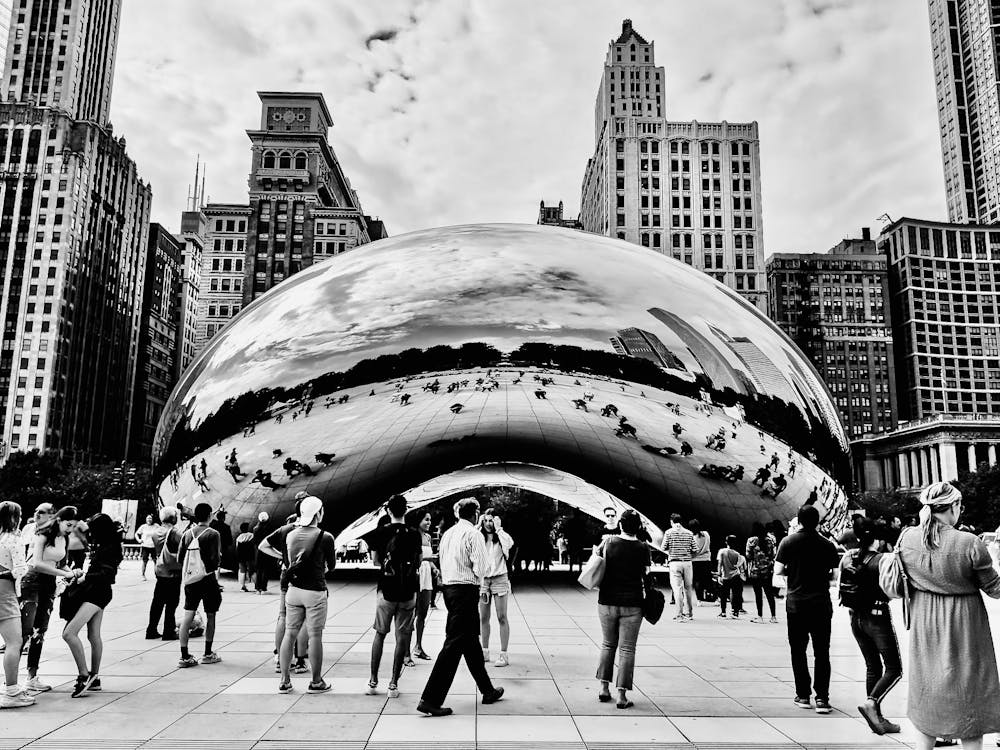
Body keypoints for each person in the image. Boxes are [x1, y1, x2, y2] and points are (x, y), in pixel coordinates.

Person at [897, 482, 1000, 749]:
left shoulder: (907, 538)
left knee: (928, 689)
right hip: (965, 623)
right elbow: (994, 588)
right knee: (970, 692)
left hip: (925, 623)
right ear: (954, 506)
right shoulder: (969, 543)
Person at [418, 498, 504, 716]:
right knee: (454, 644)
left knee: (470, 640)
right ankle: (430, 699)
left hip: (449, 590)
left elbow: (442, 561)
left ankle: (487, 690)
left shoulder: (448, 534)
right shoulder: (474, 534)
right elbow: (482, 566)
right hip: (466, 591)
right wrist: (479, 582)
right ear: (475, 514)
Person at [774, 504, 839, 714]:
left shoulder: (788, 542)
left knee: (798, 650)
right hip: (820, 603)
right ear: (817, 521)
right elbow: (835, 576)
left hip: (796, 605)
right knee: (822, 652)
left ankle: (803, 695)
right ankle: (822, 698)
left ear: (799, 521)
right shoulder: (827, 545)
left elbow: (778, 571)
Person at [838, 517, 901, 735]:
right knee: (894, 669)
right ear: (878, 538)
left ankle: (877, 719)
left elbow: (841, 585)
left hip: (855, 618)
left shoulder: (848, 556)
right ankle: (872, 703)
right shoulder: (883, 559)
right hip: (878, 616)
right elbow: (893, 590)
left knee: (873, 666)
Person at [270, 496, 336, 693]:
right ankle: (316, 681)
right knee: (315, 636)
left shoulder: (291, 535)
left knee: (289, 634)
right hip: (315, 591)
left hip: (293, 591)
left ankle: (284, 680)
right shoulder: (325, 537)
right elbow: (331, 566)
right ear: (318, 513)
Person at [20, 505, 83, 692]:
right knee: (25, 631)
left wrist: (72, 573)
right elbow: (37, 563)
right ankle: (12, 679)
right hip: (32, 581)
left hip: (48, 584)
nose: (70, 529)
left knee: (41, 630)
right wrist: (62, 573)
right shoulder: (42, 535)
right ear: (60, 520)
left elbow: (62, 563)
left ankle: (32, 676)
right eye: (69, 525)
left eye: (73, 527)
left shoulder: (63, 538)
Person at [366, 494, 422, 699]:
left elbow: (375, 561)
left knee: (380, 634)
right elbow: (418, 561)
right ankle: (393, 684)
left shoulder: (379, 533)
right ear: (405, 510)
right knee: (402, 637)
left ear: (388, 511)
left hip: (386, 590)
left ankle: (373, 680)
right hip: (408, 591)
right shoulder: (415, 534)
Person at [62, 513, 124, 698]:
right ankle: (94, 676)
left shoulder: (108, 548)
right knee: (93, 635)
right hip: (100, 592)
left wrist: (84, 578)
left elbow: (108, 574)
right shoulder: (108, 545)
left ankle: (84, 675)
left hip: (97, 593)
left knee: (69, 633)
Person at [595, 509, 649, 709]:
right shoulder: (643, 547)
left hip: (607, 601)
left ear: (620, 524)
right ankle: (621, 695)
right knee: (627, 649)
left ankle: (603, 688)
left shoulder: (608, 543)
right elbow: (647, 576)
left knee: (608, 644)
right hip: (633, 604)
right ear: (638, 527)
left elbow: (597, 560)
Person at [176, 503, 223, 668]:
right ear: (210, 515)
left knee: (188, 616)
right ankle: (208, 653)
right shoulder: (213, 534)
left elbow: (180, 559)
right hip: (208, 580)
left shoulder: (187, 534)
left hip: (191, 581)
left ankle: (184, 656)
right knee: (211, 615)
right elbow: (215, 561)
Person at [0, 501, 33, 708]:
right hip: (4, 590)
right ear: (15, 517)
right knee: (14, 642)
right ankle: (11, 690)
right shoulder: (13, 539)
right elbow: (20, 569)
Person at [478, 511, 514, 667]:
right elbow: (467, 538)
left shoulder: (502, 538)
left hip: (500, 578)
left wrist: (499, 529)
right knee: (483, 617)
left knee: (502, 617)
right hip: (484, 580)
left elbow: (510, 543)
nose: (488, 523)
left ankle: (504, 655)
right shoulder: (479, 537)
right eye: (485, 520)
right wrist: (477, 525)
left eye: (491, 520)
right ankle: (484, 651)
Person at [146, 507, 182, 640]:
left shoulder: (156, 533)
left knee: (157, 601)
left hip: (160, 569)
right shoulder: (175, 533)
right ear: (173, 518)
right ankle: (168, 631)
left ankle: (151, 629)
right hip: (173, 572)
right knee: (172, 603)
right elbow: (183, 548)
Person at [410, 511, 438, 661]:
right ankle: (405, 652)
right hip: (415, 574)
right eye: (426, 520)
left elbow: (429, 559)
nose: (429, 522)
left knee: (423, 613)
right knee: (411, 614)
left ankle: (418, 646)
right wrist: (429, 558)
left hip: (427, 575)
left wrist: (434, 567)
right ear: (418, 520)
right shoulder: (412, 536)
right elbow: (415, 557)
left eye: (430, 520)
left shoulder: (427, 537)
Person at [661, 514, 697, 621]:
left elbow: (663, 547)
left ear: (672, 522)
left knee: (677, 589)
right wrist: (689, 557)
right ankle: (689, 613)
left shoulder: (668, 532)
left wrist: (671, 553)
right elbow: (695, 549)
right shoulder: (689, 533)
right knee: (688, 588)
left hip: (674, 563)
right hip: (687, 563)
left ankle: (679, 614)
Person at [746, 523, 778, 623]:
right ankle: (773, 616)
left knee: (758, 594)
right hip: (767, 571)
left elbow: (748, 555)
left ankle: (760, 616)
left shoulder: (751, 541)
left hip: (756, 571)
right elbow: (773, 555)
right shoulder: (770, 540)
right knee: (769, 594)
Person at [716, 535, 745, 618]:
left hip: (726, 576)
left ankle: (723, 612)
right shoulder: (737, 554)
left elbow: (720, 564)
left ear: (726, 542)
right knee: (735, 594)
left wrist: (719, 574)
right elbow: (739, 565)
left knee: (724, 595)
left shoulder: (722, 552)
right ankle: (735, 612)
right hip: (735, 576)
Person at [689, 519, 712, 602]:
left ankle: (699, 599)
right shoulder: (706, 534)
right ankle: (713, 597)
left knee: (697, 580)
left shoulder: (692, 537)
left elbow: (693, 550)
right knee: (707, 579)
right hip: (706, 560)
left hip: (695, 561)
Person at [135, 514, 160, 580]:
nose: (149, 520)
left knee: (155, 561)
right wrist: (139, 540)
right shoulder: (143, 526)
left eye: (150, 518)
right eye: (148, 518)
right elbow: (136, 534)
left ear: (153, 519)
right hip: (145, 546)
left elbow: (161, 533)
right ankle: (143, 575)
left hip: (153, 546)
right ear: (146, 519)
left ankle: (157, 575)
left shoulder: (156, 526)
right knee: (144, 561)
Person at [253, 512, 273, 594]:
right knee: (266, 570)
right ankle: (264, 588)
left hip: (259, 551)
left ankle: (258, 588)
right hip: (267, 550)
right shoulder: (270, 528)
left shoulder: (255, 529)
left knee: (259, 570)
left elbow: (254, 541)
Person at [234, 522, 255, 592]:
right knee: (252, 571)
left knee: (242, 571)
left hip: (241, 556)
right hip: (250, 555)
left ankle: (242, 586)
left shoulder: (239, 538)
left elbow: (237, 548)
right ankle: (257, 585)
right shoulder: (251, 535)